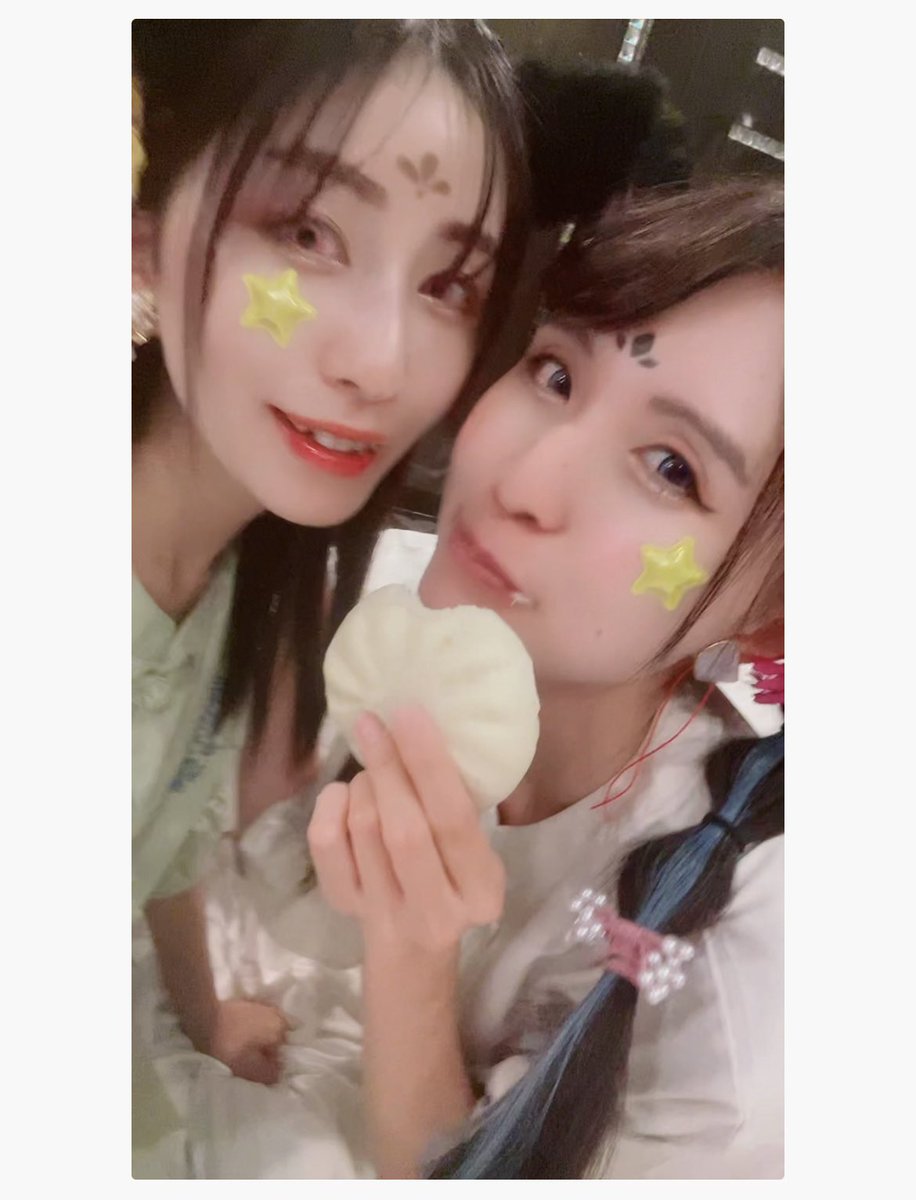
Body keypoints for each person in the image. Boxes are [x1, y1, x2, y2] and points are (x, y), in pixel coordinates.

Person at [307, 178, 785, 1178]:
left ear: (773, 608)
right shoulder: (379, 627)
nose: (519, 485)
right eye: (556, 373)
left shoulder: (741, 977)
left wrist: (411, 960)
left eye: (671, 468)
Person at [131, 15, 535, 1112]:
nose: (383, 364)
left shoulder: (239, 580)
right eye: (308, 231)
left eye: (449, 283)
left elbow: (164, 835)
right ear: (141, 236)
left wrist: (205, 1013)